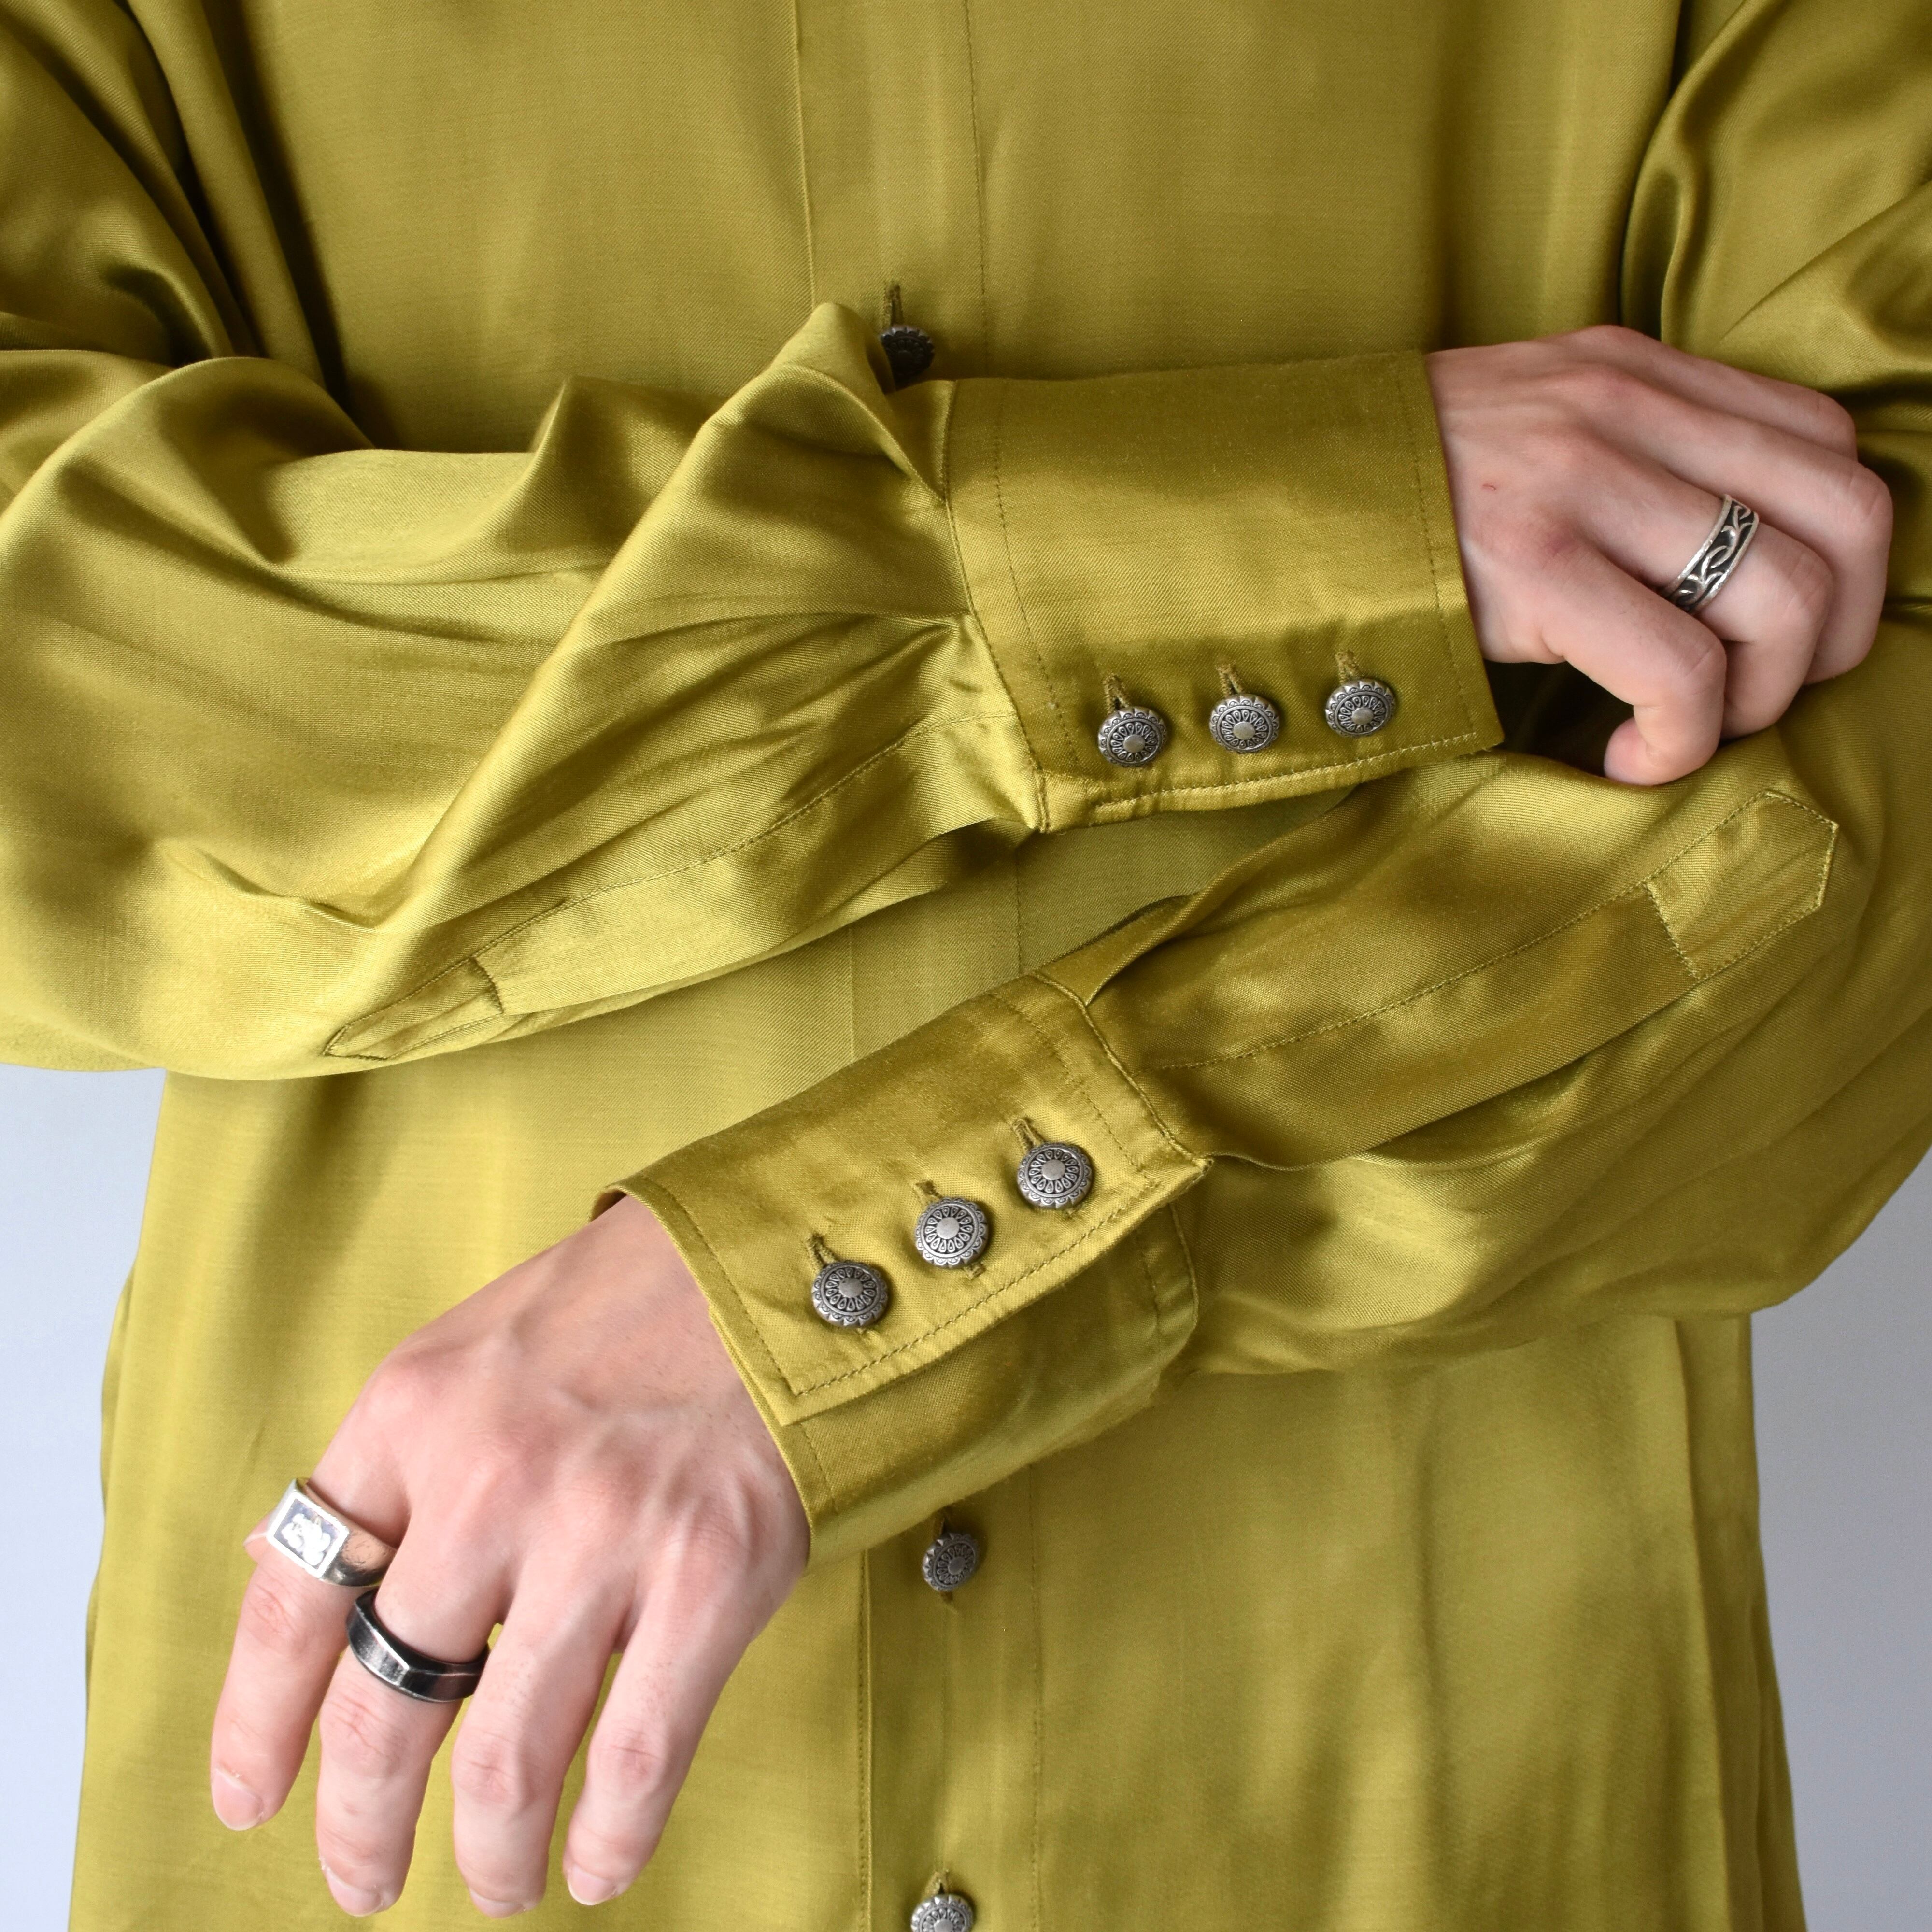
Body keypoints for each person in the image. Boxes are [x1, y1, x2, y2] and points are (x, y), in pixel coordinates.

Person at [2, 0, 1925, 1926]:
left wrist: (826, 1282)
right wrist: (1293, 524)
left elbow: (1879, 745)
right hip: (424, 1742)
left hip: (1427, 1781)